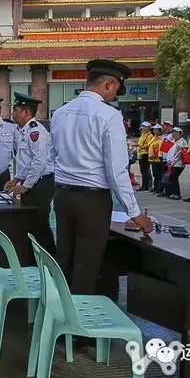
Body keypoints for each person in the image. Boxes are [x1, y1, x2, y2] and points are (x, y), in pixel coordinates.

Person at [50, 59, 153, 298]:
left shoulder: (60, 113)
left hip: (63, 195)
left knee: (64, 257)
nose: (115, 94)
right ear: (109, 84)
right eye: (116, 88)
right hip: (92, 201)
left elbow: (53, 156)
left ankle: (59, 317)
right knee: (86, 264)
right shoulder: (109, 115)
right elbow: (117, 171)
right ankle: (80, 330)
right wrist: (135, 212)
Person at [4, 93, 56, 256]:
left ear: (26, 112)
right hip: (32, 183)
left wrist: (25, 186)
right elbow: (26, 162)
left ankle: (51, 264)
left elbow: (39, 163)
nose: (13, 114)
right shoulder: (24, 131)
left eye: (16, 110)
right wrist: (16, 179)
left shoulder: (36, 132)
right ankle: (33, 260)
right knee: (30, 224)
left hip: (41, 184)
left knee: (40, 225)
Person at [163, 127, 187, 200]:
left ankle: (177, 194)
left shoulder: (182, 142)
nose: (174, 134)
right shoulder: (173, 141)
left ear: (180, 133)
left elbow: (180, 154)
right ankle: (172, 193)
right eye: (173, 133)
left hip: (178, 163)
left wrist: (173, 162)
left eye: (176, 133)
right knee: (172, 178)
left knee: (174, 177)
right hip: (171, 163)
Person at [136, 121, 152, 191]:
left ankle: (146, 185)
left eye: (145, 126)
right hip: (140, 153)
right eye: (142, 126)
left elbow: (148, 144)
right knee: (142, 170)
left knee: (145, 170)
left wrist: (141, 146)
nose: (143, 128)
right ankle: (144, 185)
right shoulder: (143, 134)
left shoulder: (150, 135)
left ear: (149, 128)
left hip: (145, 153)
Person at [148, 124, 164, 194]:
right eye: (154, 129)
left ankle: (159, 188)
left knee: (158, 174)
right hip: (152, 158)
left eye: (156, 129)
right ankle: (155, 187)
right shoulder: (154, 137)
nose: (154, 131)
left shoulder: (161, 138)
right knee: (155, 174)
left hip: (157, 158)